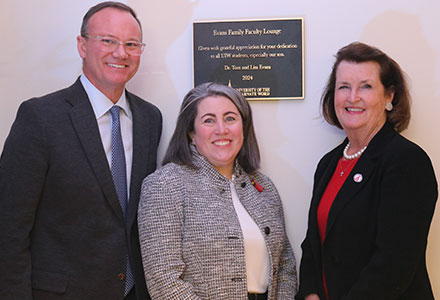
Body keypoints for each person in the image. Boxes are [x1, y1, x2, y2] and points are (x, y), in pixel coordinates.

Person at [0, 2, 162, 299]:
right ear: (82, 46)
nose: (120, 53)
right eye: (108, 41)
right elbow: (8, 228)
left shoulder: (150, 119)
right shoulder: (41, 118)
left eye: (131, 44)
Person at [296, 42, 438, 300]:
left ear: (389, 96)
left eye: (366, 86)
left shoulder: (407, 162)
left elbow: (394, 264)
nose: (353, 97)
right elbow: (313, 245)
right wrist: (309, 292)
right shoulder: (329, 164)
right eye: (344, 87)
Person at [137, 82, 297, 299]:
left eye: (230, 118)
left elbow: (285, 263)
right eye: (209, 120)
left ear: (243, 127)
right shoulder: (165, 185)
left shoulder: (264, 186)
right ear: (191, 132)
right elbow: (164, 278)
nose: (222, 130)